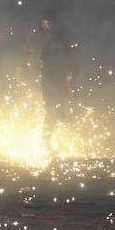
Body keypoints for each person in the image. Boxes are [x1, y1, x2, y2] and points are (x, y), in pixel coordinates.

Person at [37, 12, 77, 147]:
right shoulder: (41, 41)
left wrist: (69, 77)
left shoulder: (62, 41)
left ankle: (65, 142)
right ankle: (46, 142)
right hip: (49, 81)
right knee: (51, 111)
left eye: (49, 23)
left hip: (60, 80)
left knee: (64, 112)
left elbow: (70, 59)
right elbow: (36, 59)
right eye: (44, 23)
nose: (47, 26)